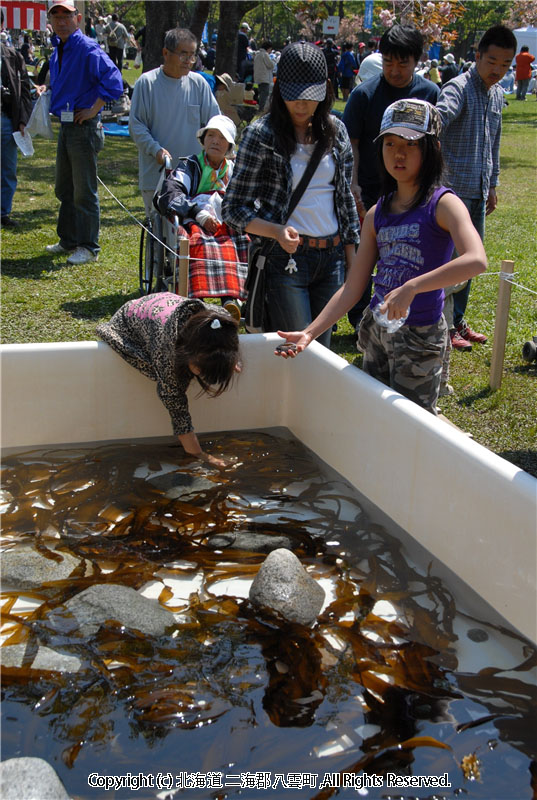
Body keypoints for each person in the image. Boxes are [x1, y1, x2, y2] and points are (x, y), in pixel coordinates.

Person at [274, 99, 487, 416]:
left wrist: (412, 287)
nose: (398, 154)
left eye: (410, 145)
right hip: (377, 330)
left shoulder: (443, 204)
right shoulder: (377, 214)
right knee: (374, 417)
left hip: (420, 337)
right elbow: (352, 288)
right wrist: (309, 333)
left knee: (412, 424)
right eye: (390, 143)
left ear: (432, 148)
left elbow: (476, 260)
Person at [222, 41, 359, 348]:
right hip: (287, 260)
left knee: (322, 351)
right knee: (301, 349)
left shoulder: (336, 131)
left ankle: (304, 397)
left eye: (309, 96)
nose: (300, 104)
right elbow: (232, 208)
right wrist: (276, 231)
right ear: (279, 88)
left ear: (324, 90)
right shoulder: (261, 134)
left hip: (333, 257)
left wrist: (353, 261)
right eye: (292, 94)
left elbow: (345, 200)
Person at [342, 25, 439, 335]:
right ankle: (362, 317)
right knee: (365, 254)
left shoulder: (429, 94)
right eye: (388, 62)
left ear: (417, 61)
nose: (394, 70)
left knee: (404, 253)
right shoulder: (364, 94)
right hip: (371, 187)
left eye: (402, 63)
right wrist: (353, 183)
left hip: (414, 191)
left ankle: (406, 313)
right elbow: (352, 143)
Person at [437, 25, 517, 350]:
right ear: (478, 56)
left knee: (471, 262)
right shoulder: (458, 88)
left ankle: (456, 322)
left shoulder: (497, 95)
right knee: (448, 263)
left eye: (505, 65)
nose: (497, 70)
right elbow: (440, 117)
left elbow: (494, 143)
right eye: (492, 61)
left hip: (479, 192)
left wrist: (493, 184)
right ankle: (440, 323)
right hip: (451, 194)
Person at [96, 293, 241, 468]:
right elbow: (178, 410)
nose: (203, 378)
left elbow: (226, 341)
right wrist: (201, 456)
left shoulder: (219, 323)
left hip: (162, 309)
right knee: (168, 380)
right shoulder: (166, 353)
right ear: (185, 354)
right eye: (201, 371)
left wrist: (226, 360)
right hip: (128, 326)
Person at [43, 0, 123, 265]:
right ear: (51, 21)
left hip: (83, 127)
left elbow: (114, 81)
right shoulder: (59, 48)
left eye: (66, 16)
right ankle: (69, 239)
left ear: (77, 19)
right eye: (56, 17)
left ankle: (88, 246)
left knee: (84, 191)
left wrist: (93, 109)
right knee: (64, 188)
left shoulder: (87, 48)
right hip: (67, 125)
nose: (61, 22)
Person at [155, 114, 248, 319]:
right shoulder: (190, 165)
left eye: (222, 138)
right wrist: (198, 213)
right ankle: (198, 300)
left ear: (230, 145)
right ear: (203, 140)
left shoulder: (234, 170)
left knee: (240, 240)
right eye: (211, 135)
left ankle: (231, 299)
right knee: (198, 241)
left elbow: (246, 197)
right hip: (194, 218)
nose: (215, 141)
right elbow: (171, 193)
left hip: (226, 219)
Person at [129, 28, 219, 218]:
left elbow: (215, 123)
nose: (188, 60)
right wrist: (156, 150)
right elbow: (136, 126)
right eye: (183, 54)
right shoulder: (147, 83)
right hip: (157, 176)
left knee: (190, 236)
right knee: (160, 236)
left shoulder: (199, 84)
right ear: (166, 53)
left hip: (194, 179)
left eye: (192, 55)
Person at [1, 11, 33, 228]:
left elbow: (25, 92)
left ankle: (3, 211)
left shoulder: (13, 56)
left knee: (7, 169)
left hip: (6, 119)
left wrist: (22, 120)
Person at [254, 40, 273, 111]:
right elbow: (271, 65)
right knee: (264, 94)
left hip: (257, 78)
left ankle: (259, 107)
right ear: (268, 48)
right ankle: (261, 109)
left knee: (259, 93)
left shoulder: (257, 54)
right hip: (264, 78)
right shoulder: (265, 54)